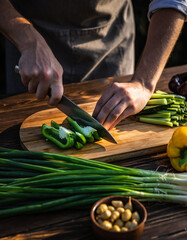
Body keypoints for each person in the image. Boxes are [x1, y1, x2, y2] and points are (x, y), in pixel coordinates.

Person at [0, 0, 186, 130]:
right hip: (27, 44)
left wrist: (144, 82)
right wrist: (28, 40)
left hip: (110, 40)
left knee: (117, 113)